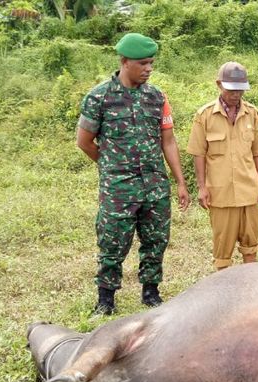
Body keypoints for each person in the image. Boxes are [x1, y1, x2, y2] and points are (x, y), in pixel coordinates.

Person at [76, 33, 190, 315]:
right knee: (112, 241)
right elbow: (84, 141)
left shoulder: (157, 97)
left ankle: (150, 292)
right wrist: (110, 167)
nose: (148, 68)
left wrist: (180, 181)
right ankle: (106, 299)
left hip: (154, 185)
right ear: (124, 62)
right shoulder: (99, 97)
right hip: (118, 188)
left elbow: (168, 141)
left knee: (155, 240)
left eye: (151, 63)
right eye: (143, 63)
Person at [187, 61, 258, 270]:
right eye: (231, 90)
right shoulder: (204, 116)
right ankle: (224, 294)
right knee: (222, 252)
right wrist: (202, 187)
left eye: (240, 90)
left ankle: (248, 286)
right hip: (220, 194)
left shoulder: (252, 113)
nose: (236, 95)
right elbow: (199, 153)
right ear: (218, 84)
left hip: (248, 192)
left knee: (251, 246)